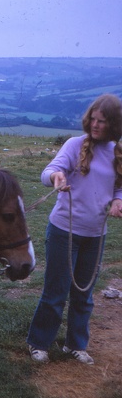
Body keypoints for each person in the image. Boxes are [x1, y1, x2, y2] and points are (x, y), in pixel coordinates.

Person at [27, 94, 122, 365]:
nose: (94, 125)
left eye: (101, 121)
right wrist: (55, 177)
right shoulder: (74, 144)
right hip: (63, 231)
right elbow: (50, 171)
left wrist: (118, 200)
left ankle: (76, 344)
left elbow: (119, 186)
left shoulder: (117, 152)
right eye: (92, 119)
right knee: (55, 292)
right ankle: (39, 343)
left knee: (84, 295)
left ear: (114, 124)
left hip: (96, 236)